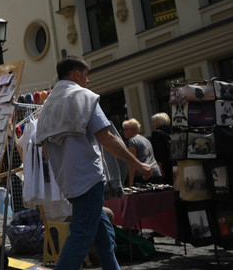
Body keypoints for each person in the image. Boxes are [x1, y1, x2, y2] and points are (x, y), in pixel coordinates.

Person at [36, 56, 152, 270]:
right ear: (77, 74)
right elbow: (107, 139)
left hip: (68, 181)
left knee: (103, 236)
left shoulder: (48, 106)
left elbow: (45, 149)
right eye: (86, 75)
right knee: (80, 237)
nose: (88, 81)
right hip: (88, 178)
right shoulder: (83, 97)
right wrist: (138, 164)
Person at [121, 119, 162, 186]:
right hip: (156, 171)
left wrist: (130, 183)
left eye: (126, 129)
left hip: (143, 175)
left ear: (134, 129)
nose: (123, 131)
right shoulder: (146, 140)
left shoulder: (132, 141)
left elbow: (132, 163)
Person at [149, 113, 173, 185]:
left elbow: (158, 153)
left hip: (165, 168)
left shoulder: (156, 134)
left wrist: (159, 169)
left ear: (158, 123)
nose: (152, 124)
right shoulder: (172, 131)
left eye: (153, 122)